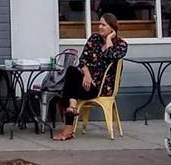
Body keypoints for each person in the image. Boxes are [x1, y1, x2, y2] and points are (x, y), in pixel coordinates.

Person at [52, 12, 128, 140]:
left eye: (103, 25)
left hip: (100, 88)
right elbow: (82, 60)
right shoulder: (94, 39)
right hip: (85, 83)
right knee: (71, 70)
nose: (99, 27)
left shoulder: (121, 45)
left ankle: (68, 126)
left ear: (112, 28)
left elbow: (111, 56)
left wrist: (109, 40)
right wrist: (87, 75)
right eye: (99, 24)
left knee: (70, 87)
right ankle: (72, 106)